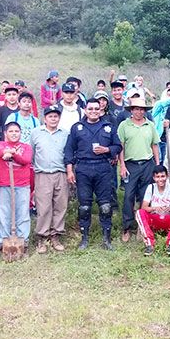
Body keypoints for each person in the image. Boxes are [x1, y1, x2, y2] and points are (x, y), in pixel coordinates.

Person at [64, 98, 122, 250]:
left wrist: (107, 150)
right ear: (85, 110)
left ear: (101, 109)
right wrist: (70, 170)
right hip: (83, 168)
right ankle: (84, 238)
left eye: (96, 109)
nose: (94, 111)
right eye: (90, 109)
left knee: (105, 206)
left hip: (103, 167)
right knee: (84, 207)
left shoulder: (108, 127)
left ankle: (106, 238)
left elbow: (118, 146)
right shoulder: (77, 128)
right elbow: (69, 150)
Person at [118, 97, 160, 242]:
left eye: (142, 109)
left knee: (145, 197)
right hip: (131, 165)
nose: (139, 112)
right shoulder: (124, 125)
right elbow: (121, 146)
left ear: (145, 111)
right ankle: (127, 227)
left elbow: (155, 145)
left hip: (147, 164)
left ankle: (143, 227)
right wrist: (122, 165)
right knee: (129, 196)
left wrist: (157, 165)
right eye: (136, 109)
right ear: (131, 110)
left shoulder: (150, 125)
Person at [31, 105, 70, 254]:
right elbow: (32, 154)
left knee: (61, 205)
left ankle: (55, 235)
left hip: (61, 173)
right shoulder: (36, 133)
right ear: (45, 118)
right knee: (44, 207)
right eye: (50, 116)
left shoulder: (65, 133)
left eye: (56, 116)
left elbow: (68, 153)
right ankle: (42, 236)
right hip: (43, 174)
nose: (53, 119)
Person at [0, 122, 33, 250]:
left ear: (20, 133)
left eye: (16, 131)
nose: (14, 134)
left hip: (22, 185)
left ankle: (23, 239)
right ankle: (3, 240)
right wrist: (7, 152)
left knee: (22, 212)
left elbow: (25, 160)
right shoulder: (0, 144)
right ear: (6, 133)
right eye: (11, 131)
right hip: (4, 184)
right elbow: (0, 152)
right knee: (4, 212)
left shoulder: (26, 147)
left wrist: (13, 154)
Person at [135, 165, 170, 256]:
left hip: (169, 218)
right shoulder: (150, 188)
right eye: (157, 177)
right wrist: (155, 208)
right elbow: (144, 207)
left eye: (163, 176)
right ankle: (149, 244)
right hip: (154, 219)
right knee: (139, 213)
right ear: (154, 178)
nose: (160, 179)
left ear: (167, 176)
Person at [152, 88, 170, 165]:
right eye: (168, 95)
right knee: (157, 159)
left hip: (167, 139)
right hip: (157, 138)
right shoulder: (158, 106)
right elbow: (162, 104)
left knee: (165, 161)